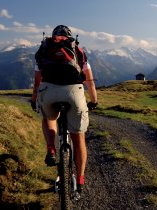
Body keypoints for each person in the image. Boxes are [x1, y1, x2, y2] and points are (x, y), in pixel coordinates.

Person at [31, 25, 98, 194]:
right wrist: (94, 100)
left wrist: (34, 99)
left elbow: (37, 81)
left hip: (49, 92)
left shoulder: (45, 49)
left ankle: (51, 150)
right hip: (74, 93)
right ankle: (81, 180)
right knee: (79, 139)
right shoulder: (78, 50)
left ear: (53, 37)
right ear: (70, 38)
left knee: (49, 119)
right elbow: (89, 81)